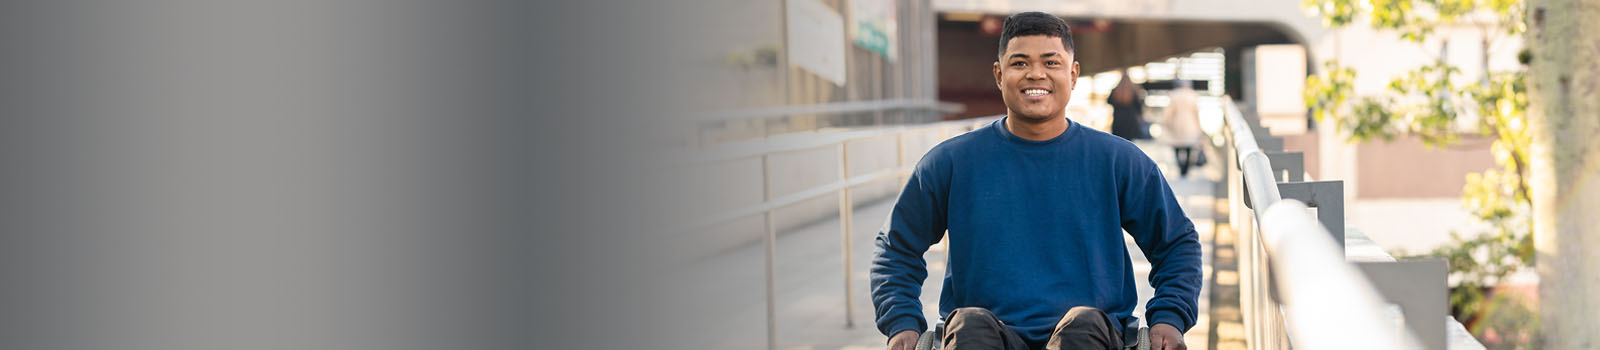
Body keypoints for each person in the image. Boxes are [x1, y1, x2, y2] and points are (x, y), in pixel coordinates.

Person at [869, 12, 1201, 350]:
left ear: (1073, 75)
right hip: (983, 337)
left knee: (1082, 325)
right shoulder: (951, 163)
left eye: (1051, 63)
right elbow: (896, 248)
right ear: (999, 75)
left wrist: (1169, 317)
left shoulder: (1119, 161)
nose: (1036, 74)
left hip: (1090, 338)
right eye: (1020, 63)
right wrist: (902, 321)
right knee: (970, 326)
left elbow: (1176, 242)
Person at [1161, 79, 1204, 178]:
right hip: (1190, 123)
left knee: (1177, 147)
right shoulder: (1193, 95)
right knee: (1189, 147)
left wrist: (1167, 122)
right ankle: (1186, 169)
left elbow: (1168, 112)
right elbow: (1196, 112)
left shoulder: (1173, 95)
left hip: (1176, 123)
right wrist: (1199, 127)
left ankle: (1180, 167)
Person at [1108, 70, 1149, 141]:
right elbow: (1139, 107)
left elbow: (1109, 101)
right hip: (1130, 121)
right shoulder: (1134, 91)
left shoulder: (1116, 90)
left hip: (1118, 119)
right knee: (1129, 143)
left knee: (1118, 141)